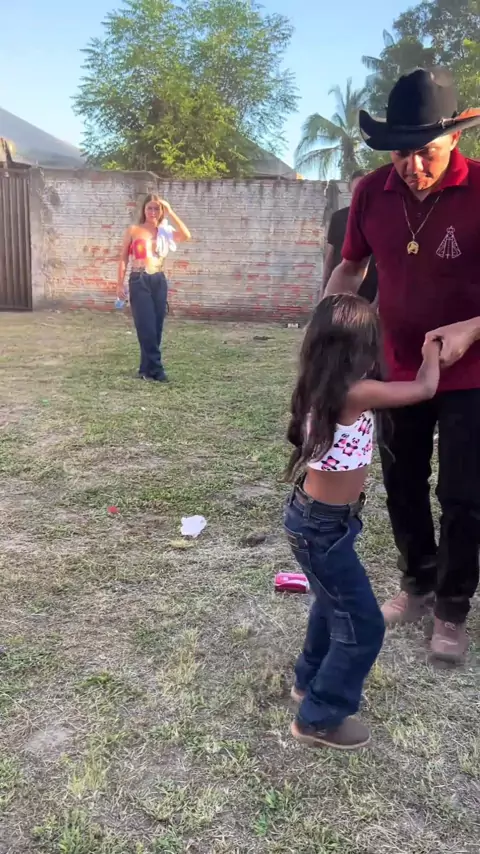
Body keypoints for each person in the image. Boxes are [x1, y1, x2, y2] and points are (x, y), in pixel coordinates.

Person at [325, 67, 480, 663]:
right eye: (401, 154)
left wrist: (470, 328)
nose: (413, 167)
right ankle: (418, 585)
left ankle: (452, 608)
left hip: (471, 372)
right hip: (394, 366)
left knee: (464, 494)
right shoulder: (371, 193)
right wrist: (326, 331)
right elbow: (351, 269)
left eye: (426, 153)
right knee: (402, 482)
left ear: (454, 139)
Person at [284, 293, 441, 751]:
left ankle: (307, 681)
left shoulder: (320, 384)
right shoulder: (356, 392)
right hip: (323, 528)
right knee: (365, 626)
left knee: (330, 604)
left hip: (317, 521)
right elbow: (424, 389)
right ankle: (318, 718)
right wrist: (432, 348)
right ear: (358, 349)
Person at [117, 194, 191, 382]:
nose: (152, 212)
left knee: (156, 326)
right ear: (144, 210)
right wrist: (119, 283)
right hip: (139, 279)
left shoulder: (164, 231)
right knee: (146, 325)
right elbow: (123, 257)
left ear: (161, 211)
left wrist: (171, 211)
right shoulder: (134, 230)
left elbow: (186, 235)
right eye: (149, 208)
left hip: (158, 279)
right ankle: (157, 369)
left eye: (157, 208)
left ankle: (145, 369)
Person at [322, 170, 378, 302]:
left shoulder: (382, 219)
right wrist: (323, 288)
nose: (362, 193)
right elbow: (330, 258)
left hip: (369, 293)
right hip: (341, 291)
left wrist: (377, 302)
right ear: (350, 189)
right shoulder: (338, 217)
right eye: (358, 188)